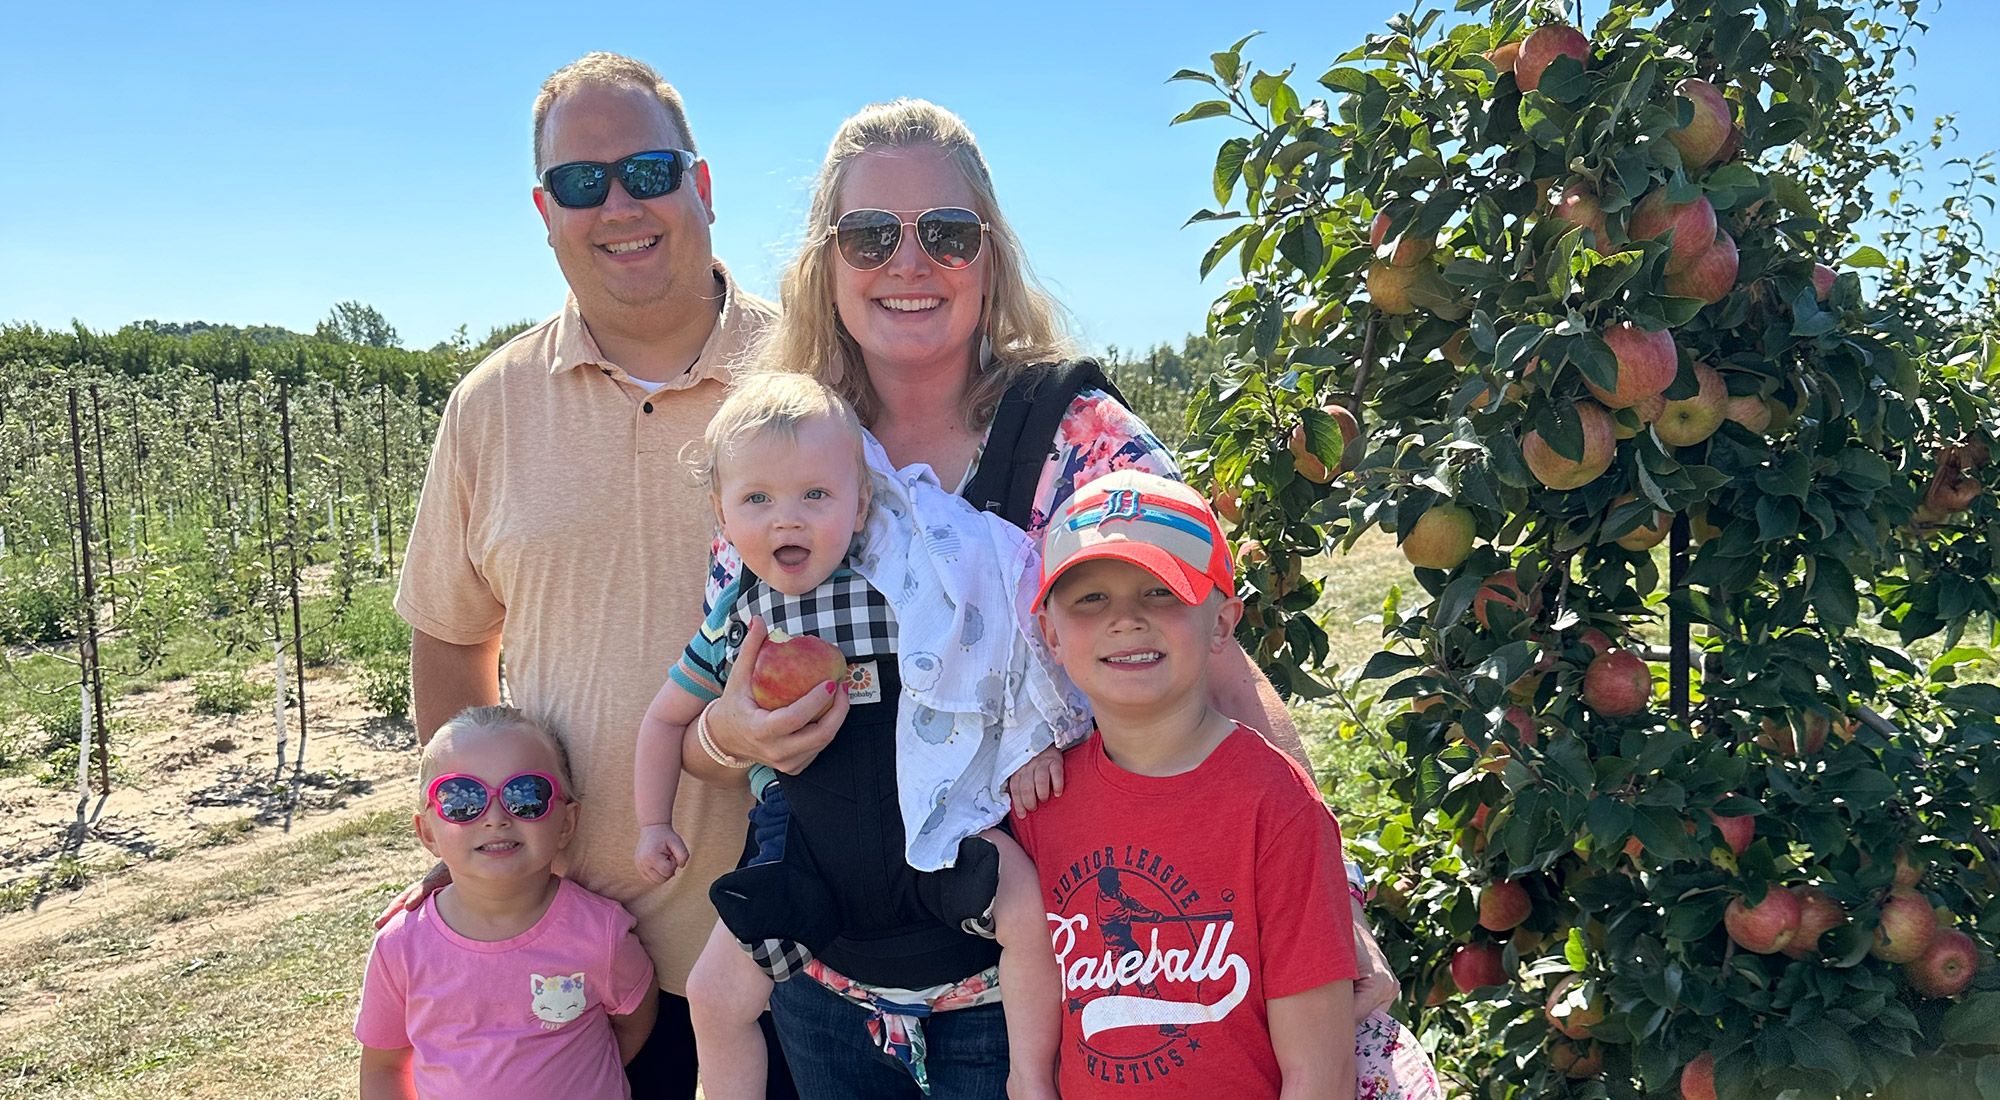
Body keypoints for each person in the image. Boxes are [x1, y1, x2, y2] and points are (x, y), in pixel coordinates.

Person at [682, 98, 1396, 1099]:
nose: (908, 261)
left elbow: (1207, 654)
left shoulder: (1072, 436)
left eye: (947, 232)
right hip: (829, 983)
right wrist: (730, 733)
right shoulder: (786, 447)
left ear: (991, 252)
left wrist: (1332, 900)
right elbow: (711, 691)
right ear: (824, 259)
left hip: (1028, 989)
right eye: (869, 234)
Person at [387, 53, 804, 1099]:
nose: (617, 203)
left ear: (700, 185)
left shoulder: (808, 372)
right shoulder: (489, 406)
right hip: (587, 959)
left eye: (647, 171)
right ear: (544, 209)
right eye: (581, 182)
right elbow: (449, 634)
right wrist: (468, 815)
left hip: (812, 936)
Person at [639, 372, 1069, 1100]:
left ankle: (1031, 1080)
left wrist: (1037, 739)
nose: (788, 520)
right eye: (757, 499)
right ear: (721, 514)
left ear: (862, 501)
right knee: (714, 997)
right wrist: (652, 821)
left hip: (924, 821)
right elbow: (664, 719)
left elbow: (1003, 651)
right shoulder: (737, 619)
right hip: (807, 847)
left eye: (816, 495)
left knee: (1024, 907)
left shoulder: (913, 585)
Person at [1015, 471, 1443, 1099]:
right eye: (1090, 599)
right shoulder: (1040, 804)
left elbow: (1317, 1071)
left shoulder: (1276, 805)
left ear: (1222, 623)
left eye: (1162, 591)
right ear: (1050, 634)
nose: (1126, 619)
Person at [357, 707, 659, 1100]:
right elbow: (384, 1066)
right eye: (463, 800)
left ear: (566, 823)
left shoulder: (603, 934)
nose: (496, 817)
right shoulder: (399, 948)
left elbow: (633, 1024)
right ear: (427, 832)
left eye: (527, 795)